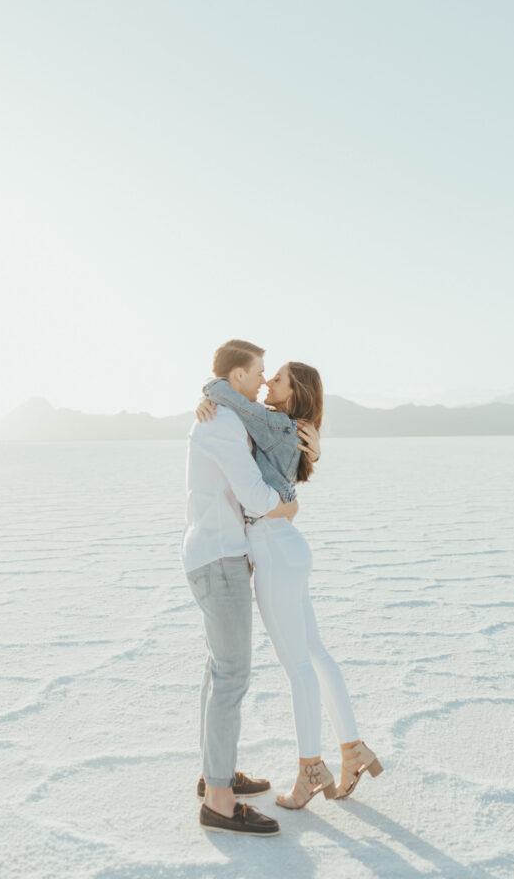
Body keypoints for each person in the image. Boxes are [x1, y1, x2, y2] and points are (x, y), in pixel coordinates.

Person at [195, 360, 383, 810]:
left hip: (275, 549)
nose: (266, 383)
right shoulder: (292, 427)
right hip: (287, 547)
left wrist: (210, 390)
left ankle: (310, 769)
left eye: (275, 378)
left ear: (294, 393)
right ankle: (353, 749)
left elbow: (233, 400)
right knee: (315, 654)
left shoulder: (276, 421)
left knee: (298, 664)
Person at [182, 339, 319, 836]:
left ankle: (213, 775)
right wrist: (285, 505)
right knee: (233, 674)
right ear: (236, 376)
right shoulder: (220, 421)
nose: (263, 381)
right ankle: (219, 800)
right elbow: (255, 496)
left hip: (218, 552)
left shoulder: (226, 412)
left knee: (220, 669)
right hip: (219, 556)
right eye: (258, 371)